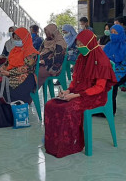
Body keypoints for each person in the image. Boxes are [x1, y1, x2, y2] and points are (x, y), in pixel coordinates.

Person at [44, 30, 117, 158]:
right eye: (78, 44)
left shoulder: (102, 60)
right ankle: (54, 143)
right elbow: (75, 79)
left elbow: (99, 88)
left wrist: (76, 95)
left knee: (69, 108)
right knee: (51, 105)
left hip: (95, 96)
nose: (79, 46)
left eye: (81, 44)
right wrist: (68, 91)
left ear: (90, 43)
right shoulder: (81, 58)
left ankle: (70, 144)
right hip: (78, 92)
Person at [103, 24, 126, 114]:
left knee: (111, 81)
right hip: (109, 70)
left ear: (120, 34)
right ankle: (100, 107)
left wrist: (112, 71)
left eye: (115, 32)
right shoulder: (108, 45)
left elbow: (125, 66)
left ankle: (111, 110)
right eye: (111, 32)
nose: (113, 34)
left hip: (122, 73)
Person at [37, 24, 67, 89]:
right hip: (43, 63)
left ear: (53, 32)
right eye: (46, 33)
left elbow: (58, 59)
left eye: (48, 33)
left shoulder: (60, 43)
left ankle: (32, 92)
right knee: (30, 70)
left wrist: (44, 61)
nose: (47, 35)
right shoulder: (46, 41)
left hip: (54, 66)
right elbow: (39, 51)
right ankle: (28, 91)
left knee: (38, 73)